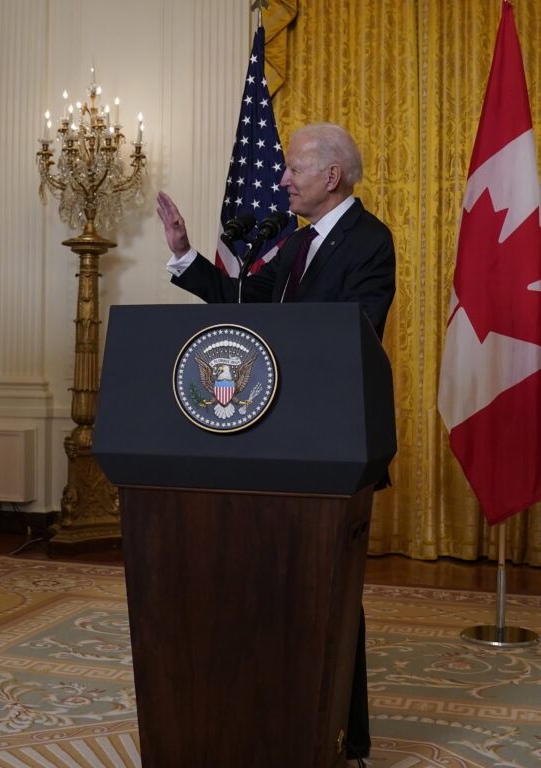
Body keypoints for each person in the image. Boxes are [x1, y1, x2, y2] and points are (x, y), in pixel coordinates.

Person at [156, 122, 395, 761]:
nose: (282, 179)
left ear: (330, 177)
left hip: (334, 441)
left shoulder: (370, 241)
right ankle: (275, 716)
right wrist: (184, 254)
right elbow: (243, 306)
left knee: (330, 590)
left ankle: (347, 736)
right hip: (275, 438)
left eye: (293, 169)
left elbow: (357, 329)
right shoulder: (293, 242)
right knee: (276, 584)